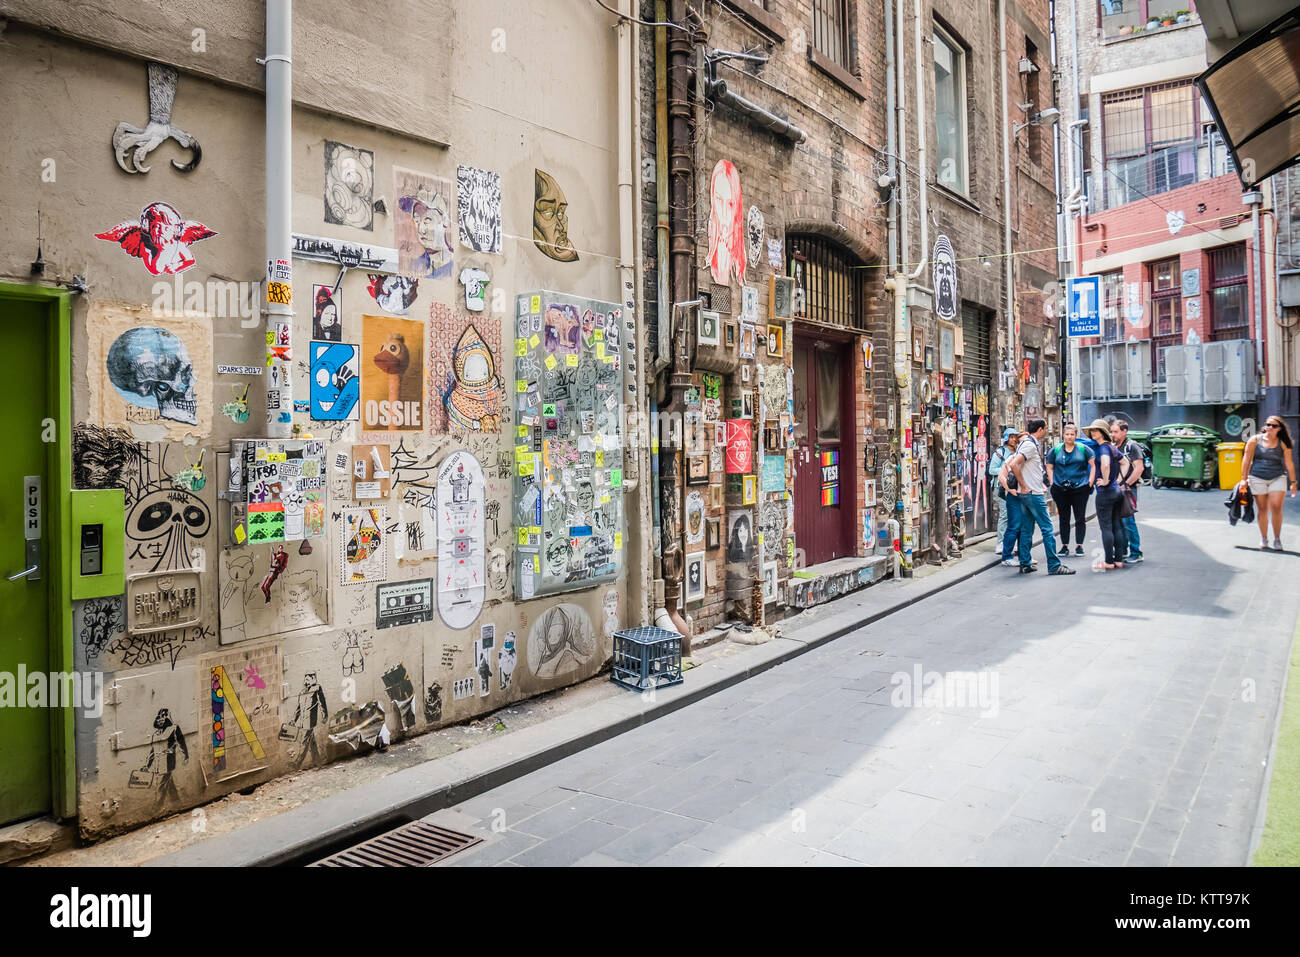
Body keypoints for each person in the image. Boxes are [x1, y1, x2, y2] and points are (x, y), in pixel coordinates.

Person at [1007, 418, 1075, 574]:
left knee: (1026, 528)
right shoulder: (1029, 445)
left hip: (1025, 493)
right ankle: (1054, 565)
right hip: (1032, 493)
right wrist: (1024, 485)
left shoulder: (1025, 443)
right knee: (1047, 528)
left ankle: (1025, 563)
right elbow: (1013, 464)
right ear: (1040, 429)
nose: (1046, 431)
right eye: (1045, 428)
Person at [1238, 416, 1298, 549]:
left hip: (1277, 477)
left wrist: (1293, 482)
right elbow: (1246, 460)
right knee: (1263, 509)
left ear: (1279, 429)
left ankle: (1277, 539)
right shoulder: (1254, 440)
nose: (1270, 427)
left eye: (1274, 426)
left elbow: (1289, 462)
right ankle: (1264, 538)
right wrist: (1243, 479)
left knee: (1276, 507)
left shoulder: (1283, 443)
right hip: (1257, 477)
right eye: (1268, 424)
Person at [1047, 424, 1095, 556]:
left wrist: (1090, 482)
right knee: (1064, 517)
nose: (1069, 437)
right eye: (1067, 434)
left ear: (1076, 435)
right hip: (1060, 488)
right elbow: (1049, 466)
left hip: (1080, 488)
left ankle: (1079, 545)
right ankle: (1064, 545)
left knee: (1080, 517)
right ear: (1063, 435)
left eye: (1072, 434)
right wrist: (1052, 481)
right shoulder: (1055, 450)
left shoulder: (1084, 449)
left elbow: (1093, 465)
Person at [1086, 419, 1128, 569]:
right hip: (1116, 491)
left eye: (1096, 430)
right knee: (1116, 525)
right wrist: (1117, 480)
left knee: (1106, 527)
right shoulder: (1112, 447)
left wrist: (1105, 480)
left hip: (1105, 492)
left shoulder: (1103, 448)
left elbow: (1105, 464)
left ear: (1103, 432)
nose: (1092, 433)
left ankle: (1109, 562)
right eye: (1092, 430)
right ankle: (1118, 560)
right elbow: (1125, 463)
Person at [990, 429, 1029, 567]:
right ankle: (1000, 543)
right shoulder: (1000, 452)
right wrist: (1005, 470)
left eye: (1015, 437)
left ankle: (1011, 545)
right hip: (1001, 488)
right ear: (1006, 439)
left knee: (1014, 517)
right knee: (1005, 515)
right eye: (1011, 437)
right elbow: (991, 469)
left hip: (1014, 488)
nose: (1014, 440)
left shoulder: (1018, 452)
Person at [1109, 419, 1145, 563]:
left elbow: (1139, 468)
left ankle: (1136, 552)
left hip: (1128, 489)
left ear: (1124, 431)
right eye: (1112, 431)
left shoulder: (1132, 446)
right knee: (1118, 521)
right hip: (1115, 488)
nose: (1113, 434)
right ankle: (1123, 550)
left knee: (1128, 520)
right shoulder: (1113, 446)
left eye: (1116, 431)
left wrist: (1126, 484)